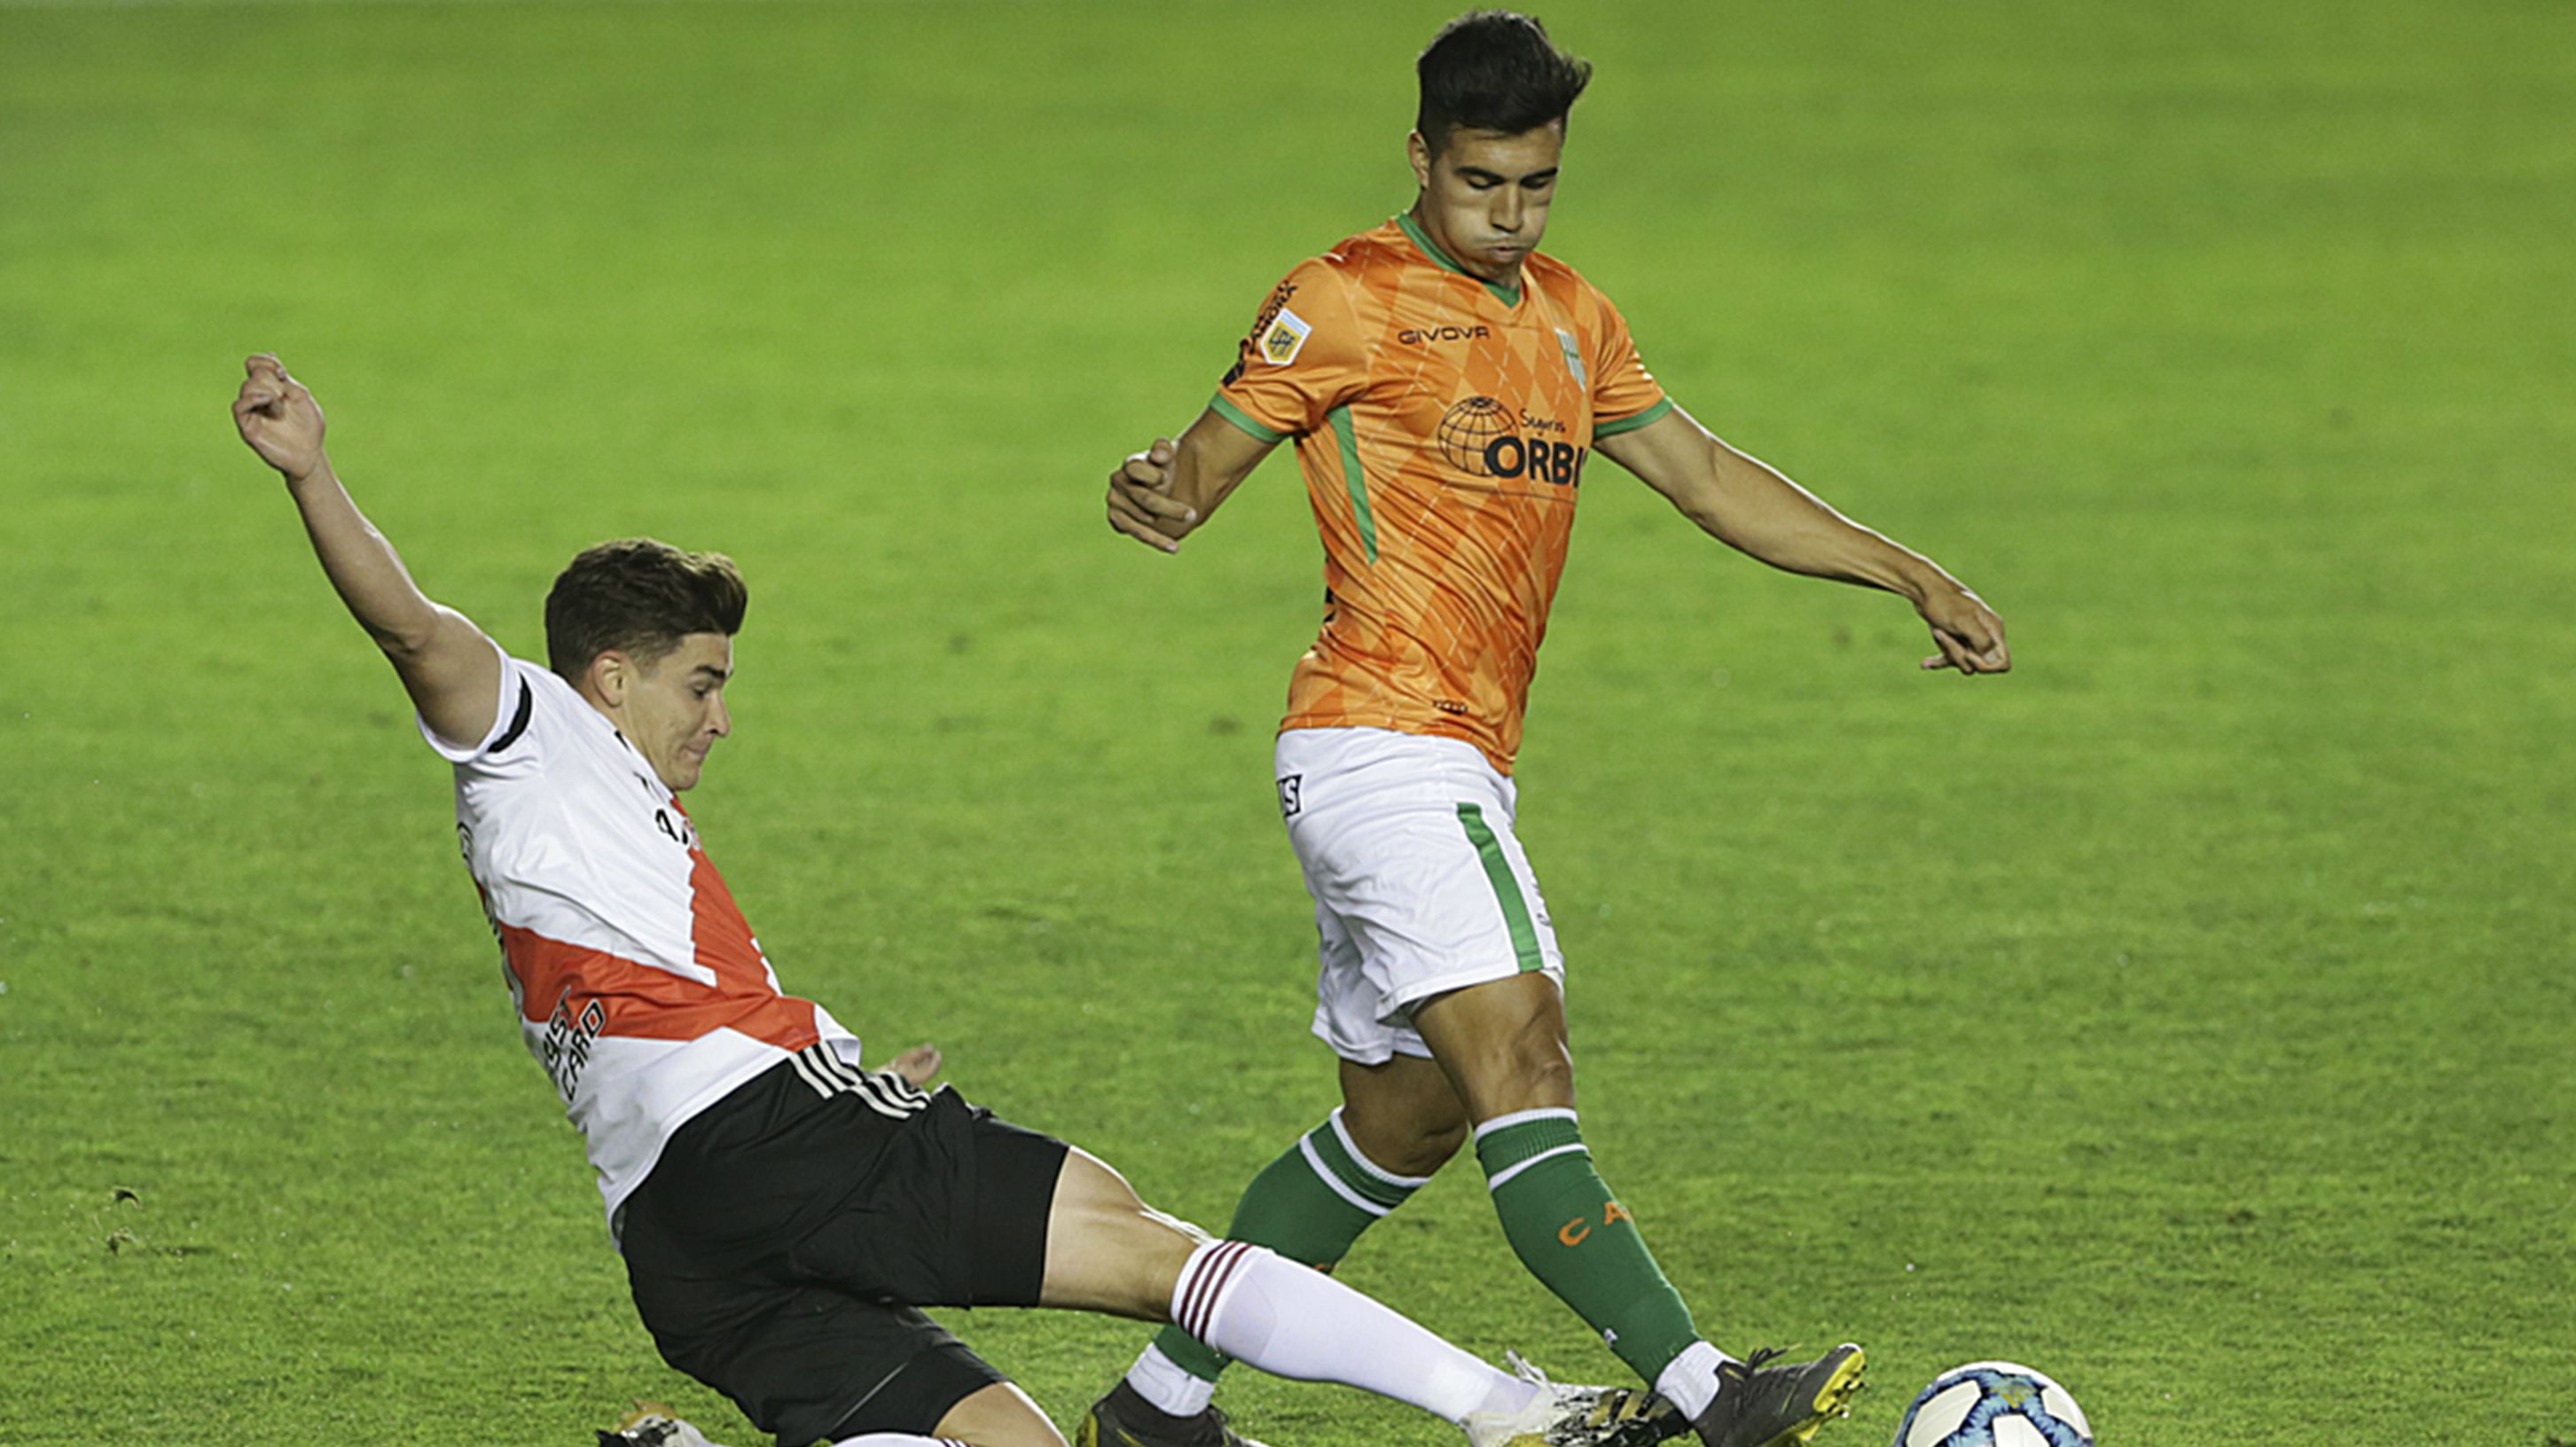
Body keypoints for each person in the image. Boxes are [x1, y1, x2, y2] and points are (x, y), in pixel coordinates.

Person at [229, 354, 1687, 1447]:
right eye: (701, 681)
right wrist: (310, 473)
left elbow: (660, 1011)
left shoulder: (609, 827)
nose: (718, 718)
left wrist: (847, 1071)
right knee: (1141, 1246)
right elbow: (411, 630)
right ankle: (1508, 1412)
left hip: (679, 1244)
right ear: (610, 675)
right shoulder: (536, 734)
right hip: (760, 1147)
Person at [1088, 13, 2013, 1447]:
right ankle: (1710, 1395)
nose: (1509, 217)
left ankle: (1157, 1407)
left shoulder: (1573, 319)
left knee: (1408, 1119)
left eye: (1535, 186)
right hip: (1386, 743)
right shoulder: (1344, 298)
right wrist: (1150, 487)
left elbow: (1707, 478)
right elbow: (1191, 482)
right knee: (1525, 1062)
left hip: (1426, 761)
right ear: (1420, 158)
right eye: (1480, 185)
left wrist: (1913, 571)